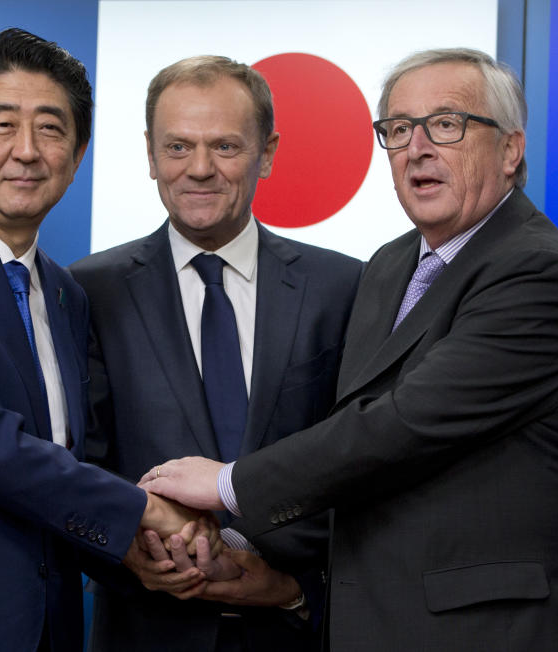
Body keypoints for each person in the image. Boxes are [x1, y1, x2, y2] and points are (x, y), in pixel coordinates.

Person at [141, 48, 558, 651]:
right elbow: (352, 446)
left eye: (446, 125)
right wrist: (242, 551)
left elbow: (404, 425)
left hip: (499, 631)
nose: (417, 148)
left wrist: (231, 486)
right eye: (398, 130)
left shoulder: (538, 273)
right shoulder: (390, 265)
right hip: (375, 622)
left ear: (510, 149)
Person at [0, 29, 212, 652]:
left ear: (77, 155)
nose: (26, 151)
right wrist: (144, 512)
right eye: (3, 125)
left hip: (47, 621)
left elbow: (67, 455)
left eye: (51, 129)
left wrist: (125, 551)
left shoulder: (65, 291)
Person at [69, 56, 361, 652]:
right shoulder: (86, 290)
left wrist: (288, 583)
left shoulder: (345, 289)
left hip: (295, 625)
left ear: (268, 153)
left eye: (225, 146)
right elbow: (75, 465)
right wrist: (128, 549)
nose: (199, 169)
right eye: (177, 147)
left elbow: (361, 459)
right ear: (150, 155)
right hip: (145, 629)